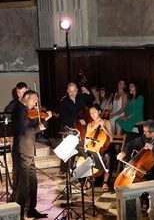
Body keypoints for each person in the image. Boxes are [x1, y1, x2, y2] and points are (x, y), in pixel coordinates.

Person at [12, 90, 52, 219]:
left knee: (33, 182)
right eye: (34, 100)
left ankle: (31, 210)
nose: (36, 103)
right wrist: (38, 128)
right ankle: (19, 214)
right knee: (23, 184)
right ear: (27, 97)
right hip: (22, 150)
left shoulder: (29, 112)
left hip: (29, 150)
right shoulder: (19, 110)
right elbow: (24, 131)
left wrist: (46, 119)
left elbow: (37, 125)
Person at [58, 83, 93, 174]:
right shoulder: (64, 101)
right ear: (67, 91)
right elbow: (64, 116)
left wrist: (88, 92)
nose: (72, 93)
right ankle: (63, 168)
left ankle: (72, 167)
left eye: (74, 91)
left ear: (77, 90)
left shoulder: (80, 97)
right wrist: (77, 120)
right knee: (67, 147)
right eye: (70, 91)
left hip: (80, 127)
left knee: (76, 147)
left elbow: (91, 100)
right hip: (68, 126)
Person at [84, 104, 113, 192]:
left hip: (105, 147)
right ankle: (90, 179)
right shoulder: (90, 124)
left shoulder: (106, 122)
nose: (92, 115)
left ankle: (105, 181)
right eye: (90, 113)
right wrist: (94, 127)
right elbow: (86, 139)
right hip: (94, 148)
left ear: (99, 112)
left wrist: (103, 127)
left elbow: (111, 138)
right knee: (88, 155)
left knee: (108, 156)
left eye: (94, 113)